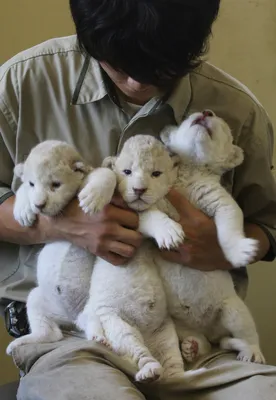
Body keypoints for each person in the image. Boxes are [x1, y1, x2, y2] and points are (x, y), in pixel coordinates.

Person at [0, 0, 276, 399]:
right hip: (73, 338)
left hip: (202, 342)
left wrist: (222, 247)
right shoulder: (20, 84)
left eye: (160, 68)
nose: (134, 81)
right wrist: (60, 224)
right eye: (117, 63)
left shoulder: (235, 108)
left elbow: (268, 225)